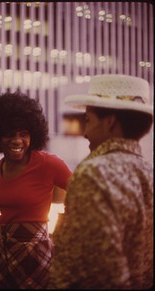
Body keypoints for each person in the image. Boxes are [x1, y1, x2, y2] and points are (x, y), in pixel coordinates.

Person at [48, 74, 153, 289]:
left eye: (87, 120)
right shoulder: (148, 172)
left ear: (110, 122)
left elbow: (101, 274)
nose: (85, 132)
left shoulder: (93, 174)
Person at [0, 92, 72, 289]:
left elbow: (84, 192)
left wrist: (64, 226)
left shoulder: (48, 163)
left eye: (23, 134)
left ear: (33, 134)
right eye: (9, 134)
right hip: (1, 249)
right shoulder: (1, 165)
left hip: (34, 253)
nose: (17, 140)